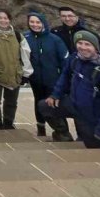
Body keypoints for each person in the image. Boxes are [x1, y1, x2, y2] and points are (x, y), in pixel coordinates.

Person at [23, 9, 68, 137]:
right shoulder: (25, 37)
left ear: (43, 23)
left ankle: (62, 131)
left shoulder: (55, 40)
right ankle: (41, 129)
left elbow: (65, 61)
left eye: (38, 22)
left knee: (53, 105)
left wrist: (62, 79)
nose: (35, 25)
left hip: (52, 79)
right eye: (31, 22)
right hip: (35, 79)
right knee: (38, 103)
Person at [0, 7, 33, 130]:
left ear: (9, 20)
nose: (3, 21)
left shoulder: (17, 36)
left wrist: (26, 73)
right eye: (0, 18)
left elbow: (25, 54)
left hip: (14, 73)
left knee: (11, 101)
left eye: (6, 18)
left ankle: (8, 122)